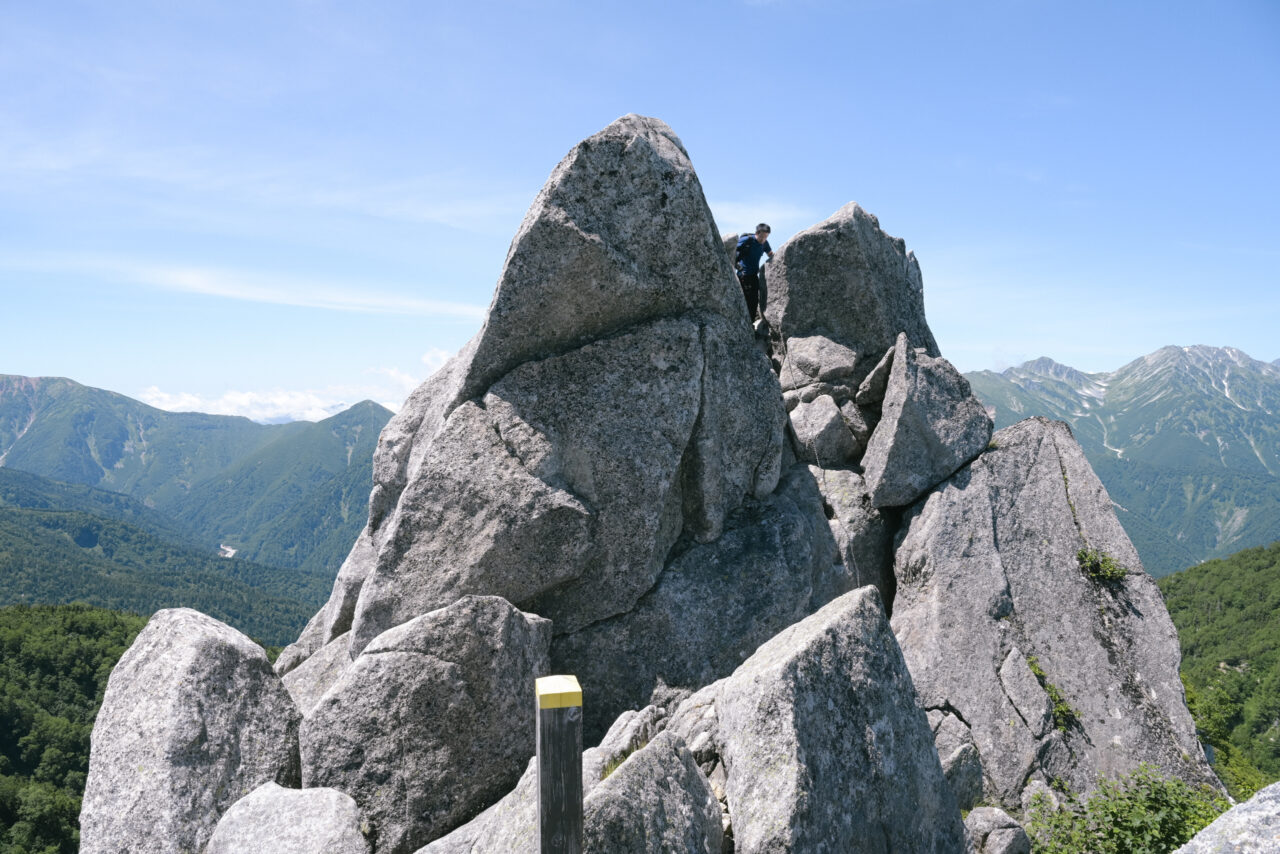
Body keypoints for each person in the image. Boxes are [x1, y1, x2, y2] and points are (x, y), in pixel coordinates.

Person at [734, 223, 774, 321]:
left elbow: (770, 254)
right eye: (762, 236)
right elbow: (732, 250)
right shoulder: (747, 240)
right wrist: (736, 265)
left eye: (766, 237)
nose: (763, 239)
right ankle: (743, 324)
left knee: (754, 301)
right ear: (757, 233)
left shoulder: (765, 243)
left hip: (754, 275)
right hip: (743, 275)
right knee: (746, 300)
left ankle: (750, 324)